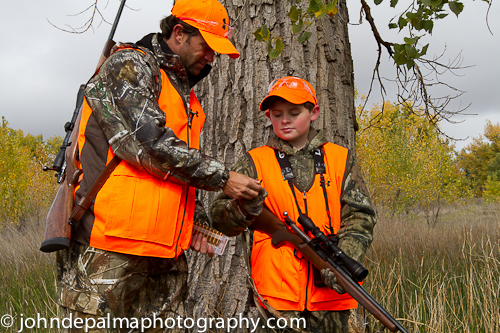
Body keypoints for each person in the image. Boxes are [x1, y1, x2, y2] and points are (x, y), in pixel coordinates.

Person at [56, 0, 262, 331]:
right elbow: (152, 146)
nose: (212, 57)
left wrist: (189, 223)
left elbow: (171, 175)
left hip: (164, 256)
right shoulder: (130, 66)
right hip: (106, 247)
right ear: (178, 33)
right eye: (207, 46)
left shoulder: (184, 94)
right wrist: (223, 178)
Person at [210, 76, 377, 333]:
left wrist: (344, 261)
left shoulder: (340, 158)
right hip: (277, 299)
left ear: (314, 113)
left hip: (332, 297)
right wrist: (244, 210)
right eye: (277, 114)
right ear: (269, 115)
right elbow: (219, 217)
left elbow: (361, 217)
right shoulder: (255, 161)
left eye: (294, 112)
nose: (284, 120)